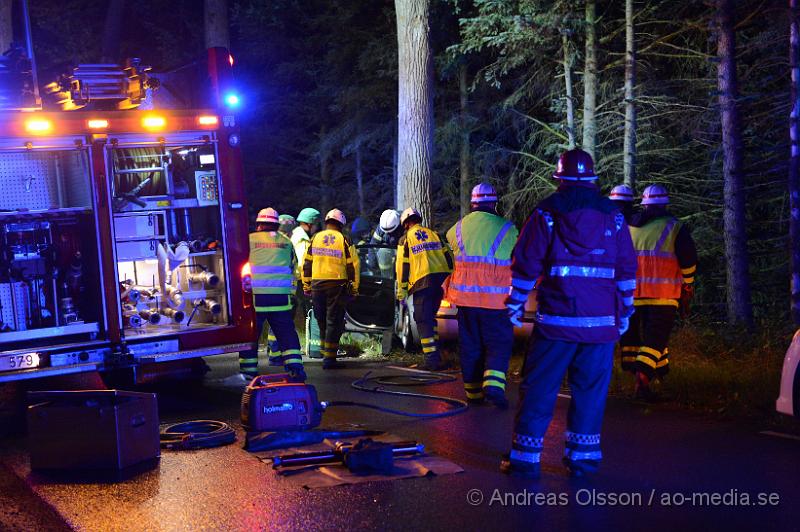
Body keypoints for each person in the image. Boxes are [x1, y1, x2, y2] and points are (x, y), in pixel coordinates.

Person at [502, 149, 637, 478]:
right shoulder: (614, 215)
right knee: (590, 392)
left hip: (557, 323)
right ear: (592, 177)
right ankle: (583, 459)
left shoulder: (548, 211)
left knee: (540, 388)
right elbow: (626, 267)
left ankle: (525, 460)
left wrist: (515, 303)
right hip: (601, 327)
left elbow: (527, 260)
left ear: (559, 178)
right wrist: (625, 311)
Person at [619, 184, 697, 400]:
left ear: (644, 204)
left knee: (639, 339)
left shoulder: (629, 227)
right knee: (656, 339)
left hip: (633, 295)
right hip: (663, 294)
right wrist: (688, 285)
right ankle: (642, 381)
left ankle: (657, 374)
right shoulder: (674, 227)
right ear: (664, 204)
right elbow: (688, 260)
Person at [445, 183, 519, 408]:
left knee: (470, 346)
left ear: (472, 203)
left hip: (465, 301)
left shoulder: (455, 230)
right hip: (496, 302)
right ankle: (494, 386)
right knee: (499, 343)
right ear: (494, 203)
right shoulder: (508, 229)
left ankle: (473, 394)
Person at [231, 208, 305, 385]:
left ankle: (249, 373)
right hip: (281, 299)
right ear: (276, 224)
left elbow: (238, 268)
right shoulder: (286, 242)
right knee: (287, 335)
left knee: (250, 336)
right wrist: (292, 293)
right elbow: (294, 269)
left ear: (259, 224)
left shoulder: (248, 240)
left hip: (256, 299)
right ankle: (295, 369)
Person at [396, 207, 454, 371]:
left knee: (422, 320)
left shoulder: (406, 239)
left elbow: (402, 267)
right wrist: (450, 279)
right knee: (430, 319)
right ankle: (436, 355)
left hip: (422, 284)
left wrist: (402, 291)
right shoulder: (433, 234)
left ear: (406, 224)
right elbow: (449, 256)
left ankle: (431, 360)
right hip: (439, 283)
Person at [302, 209, 360, 369]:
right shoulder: (344, 239)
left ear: (327, 222)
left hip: (317, 285)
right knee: (333, 321)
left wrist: (306, 285)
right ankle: (330, 358)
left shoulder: (315, 238)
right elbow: (353, 266)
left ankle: (324, 353)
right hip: (337, 285)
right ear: (341, 224)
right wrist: (354, 289)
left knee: (321, 320)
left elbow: (306, 264)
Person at [291, 207, 321, 321]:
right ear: (310, 224)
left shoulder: (296, 235)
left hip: (296, 280)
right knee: (310, 310)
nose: (317, 227)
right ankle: (313, 337)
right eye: (316, 224)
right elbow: (303, 265)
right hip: (300, 281)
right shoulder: (301, 240)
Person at [369, 209, 403, 277]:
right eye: (385, 230)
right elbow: (373, 244)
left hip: (402, 258)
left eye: (389, 230)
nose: (387, 232)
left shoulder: (404, 226)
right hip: (387, 262)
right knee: (383, 251)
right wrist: (372, 265)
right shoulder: (381, 227)